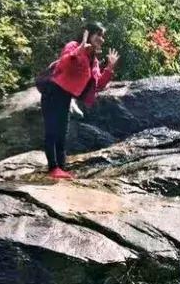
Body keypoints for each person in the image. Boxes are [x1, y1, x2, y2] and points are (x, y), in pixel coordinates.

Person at [40, 23, 120, 180]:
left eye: (103, 36)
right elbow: (64, 64)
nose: (102, 39)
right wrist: (81, 49)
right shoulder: (73, 45)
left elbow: (97, 86)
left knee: (62, 132)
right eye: (99, 34)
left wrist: (109, 68)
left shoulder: (94, 60)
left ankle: (61, 168)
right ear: (88, 34)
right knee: (52, 131)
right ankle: (53, 168)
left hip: (65, 96)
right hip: (53, 91)